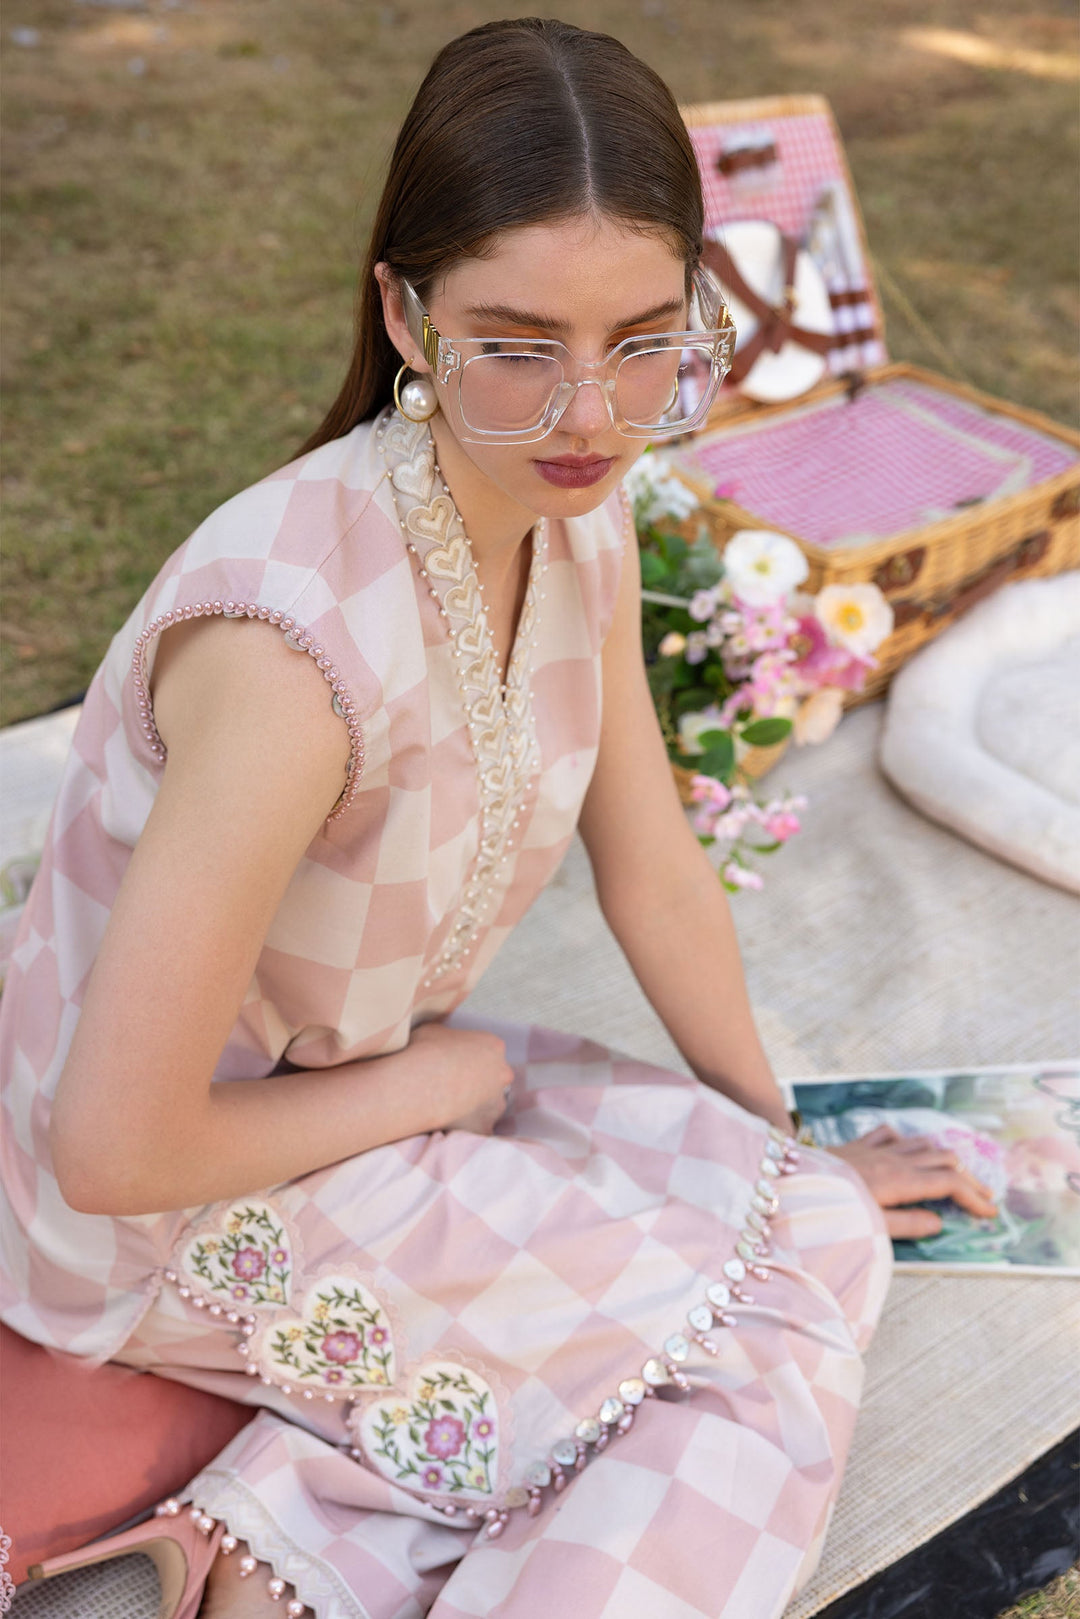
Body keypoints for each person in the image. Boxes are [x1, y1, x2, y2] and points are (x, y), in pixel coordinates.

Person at [0, 18, 999, 1619]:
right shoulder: (291, 653)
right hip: (171, 1201)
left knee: (812, 1219)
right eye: (517, 346)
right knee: (756, 1356)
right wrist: (438, 1080)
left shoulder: (569, 515)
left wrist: (778, 1139)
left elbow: (650, 863)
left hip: (366, 1086)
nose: (589, 413)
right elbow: (115, 1147)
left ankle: (288, 1528)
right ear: (406, 313)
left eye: (644, 341)